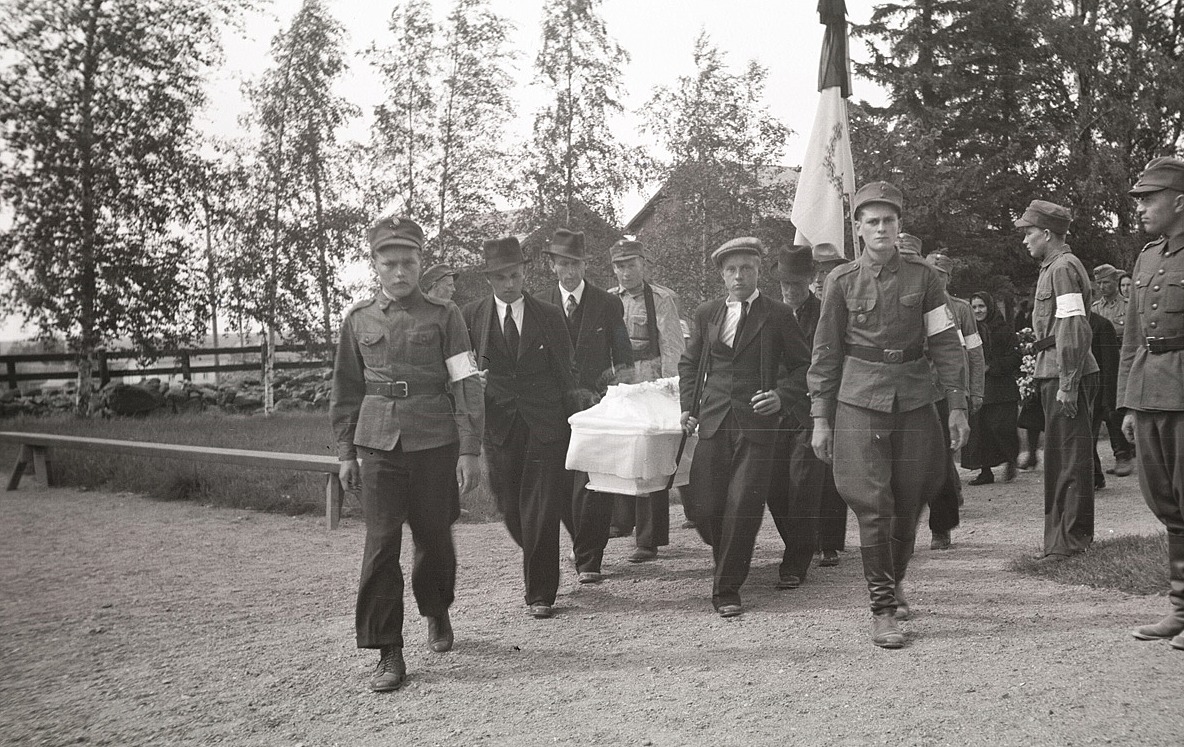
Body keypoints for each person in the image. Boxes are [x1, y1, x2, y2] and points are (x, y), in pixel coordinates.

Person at [809, 181, 970, 649]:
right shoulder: (840, 282)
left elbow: (944, 342)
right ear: (858, 229)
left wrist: (957, 406)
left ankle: (895, 579)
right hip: (859, 401)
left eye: (890, 221)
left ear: (900, 226)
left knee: (913, 498)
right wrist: (821, 417)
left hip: (916, 400)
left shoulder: (925, 278)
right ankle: (882, 608)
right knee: (873, 506)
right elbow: (825, 353)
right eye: (873, 222)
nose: (882, 228)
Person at [331, 217, 484, 692]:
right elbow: (345, 389)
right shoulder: (359, 320)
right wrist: (345, 453)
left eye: (409, 262)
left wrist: (470, 449)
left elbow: (465, 382)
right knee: (381, 544)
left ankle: (436, 609)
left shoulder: (445, 315)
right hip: (376, 445)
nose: (400, 271)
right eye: (389, 262)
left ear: (420, 264)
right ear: (375, 264)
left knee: (434, 536)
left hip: (435, 442)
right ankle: (387, 649)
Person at [678, 237, 811, 618]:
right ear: (722, 275)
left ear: (757, 273)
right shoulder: (707, 313)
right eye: (732, 269)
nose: (740, 276)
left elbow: (805, 367)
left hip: (758, 423)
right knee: (707, 507)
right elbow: (690, 365)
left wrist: (782, 396)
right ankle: (728, 566)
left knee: (744, 505)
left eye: (747, 269)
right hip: (714, 421)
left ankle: (726, 588)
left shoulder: (779, 314)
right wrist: (689, 407)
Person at [461, 236, 579, 619]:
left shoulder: (549, 314)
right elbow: (461, 371)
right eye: (500, 277)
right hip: (500, 426)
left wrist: (574, 422)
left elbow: (566, 373)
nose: (509, 284)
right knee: (512, 509)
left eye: (514, 275)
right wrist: (469, 385)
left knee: (541, 509)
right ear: (489, 279)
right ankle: (539, 557)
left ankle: (541, 593)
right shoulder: (472, 317)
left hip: (546, 425)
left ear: (525, 272)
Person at [537, 229, 633, 580]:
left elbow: (623, 358)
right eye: (563, 263)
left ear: (584, 265)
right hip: (553, 409)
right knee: (561, 485)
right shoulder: (540, 303)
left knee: (593, 482)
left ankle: (590, 558)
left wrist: (617, 393)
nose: (570, 270)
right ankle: (582, 541)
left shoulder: (607, 304)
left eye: (576, 263)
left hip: (597, 407)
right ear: (553, 266)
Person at [1118, 156, 1184, 648]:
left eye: (1149, 198)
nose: (1140, 207)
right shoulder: (1146, 258)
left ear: (1179, 202)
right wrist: (1126, 402)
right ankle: (1180, 610)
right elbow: (1132, 337)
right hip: (1149, 389)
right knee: (1165, 503)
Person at [1017, 199, 1100, 564]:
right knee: (1061, 458)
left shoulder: (1063, 267)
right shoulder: (1054, 266)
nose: (1025, 240)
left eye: (1029, 232)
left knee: (1069, 460)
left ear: (1047, 234)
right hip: (1056, 369)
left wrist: (1068, 381)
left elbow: (1073, 327)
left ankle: (1069, 542)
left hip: (1068, 372)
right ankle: (1061, 540)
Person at [764, 244, 842, 587]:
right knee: (774, 488)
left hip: (810, 412)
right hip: (773, 414)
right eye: (783, 284)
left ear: (810, 280)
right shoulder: (767, 315)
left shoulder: (825, 313)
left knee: (804, 487)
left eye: (795, 283)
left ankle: (794, 562)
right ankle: (799, 544)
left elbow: (828, 362)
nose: (789, 290)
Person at [604, 238, 684, 565]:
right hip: (618, 382)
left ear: (643, 264)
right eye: (620, 266)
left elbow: (672, 346)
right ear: (613, 269)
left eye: (631, 264)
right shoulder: (607, 301)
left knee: (652, 458)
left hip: (651, 379)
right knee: (621, 453)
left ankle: (649, 538)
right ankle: (621, 521)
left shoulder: (661, 299)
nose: (626, 271)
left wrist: (669, 387)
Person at [923, 251, 984, 551]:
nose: (935, 278)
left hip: (946, 392)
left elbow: (973, 353)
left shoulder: (960, 310)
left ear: (949, 278)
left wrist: (975, 391)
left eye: (941, 274)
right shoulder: (913, 302)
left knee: (941, 460)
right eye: (930, 272)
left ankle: (941, 527)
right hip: (914, 390)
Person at [811, 250, 852, 567]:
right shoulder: (803, 310)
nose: (823, 281)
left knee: (829, 472)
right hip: (808, 398)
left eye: (830, 274)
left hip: (844, 397)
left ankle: (829, 542)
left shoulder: (849, 307)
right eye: (820, 275)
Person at [962, 291, 1021, 484]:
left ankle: (1010, 460)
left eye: (982, 306)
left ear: (990, 307)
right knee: (980, 430)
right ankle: (985, 471)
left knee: (1000, 428)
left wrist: (992, 366)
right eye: (974, 307)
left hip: (1001, 388)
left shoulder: (1003, 330)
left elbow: (1015, 357)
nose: (978, 311)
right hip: (979, 387)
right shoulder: (969, 331)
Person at [1090, 264, 1134, 477]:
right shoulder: (1095, 308)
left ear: (1115, 282)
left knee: (1117, 409)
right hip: (1103, 363)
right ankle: (1120, 455)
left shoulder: (1127, 306)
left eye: (1106, 282)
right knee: (1106, 408)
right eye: (1098, 283)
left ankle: (1125, 454)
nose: (1102, 286)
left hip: (1125, 361)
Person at [1088, 312, 1120, 490]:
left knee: (1088, 437)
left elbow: (1110, 365)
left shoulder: (1102, 325)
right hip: (1079, 389)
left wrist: (1109, 399)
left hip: (1098, 392)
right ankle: (1095, 476)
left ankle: (1092, 477)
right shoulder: (1064, 321)